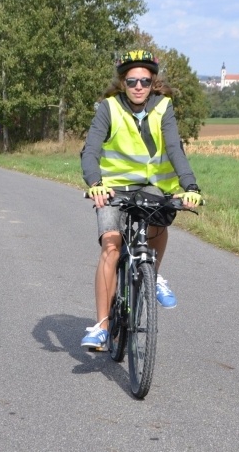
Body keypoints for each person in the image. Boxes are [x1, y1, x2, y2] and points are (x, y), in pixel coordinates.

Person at [79, 49, 203, 348]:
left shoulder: (163, 108)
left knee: (159, 225)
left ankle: (152, 274)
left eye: (145, 81)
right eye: (132, 81)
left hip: (153, 185)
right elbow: (91, 150)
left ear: (152, 83)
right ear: (122, 82)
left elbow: (175, 149)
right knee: (111, 243)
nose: (138, 87)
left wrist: (191, 187)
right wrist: (95, 183)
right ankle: (101, 326)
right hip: (113, 187)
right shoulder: (108, 108)